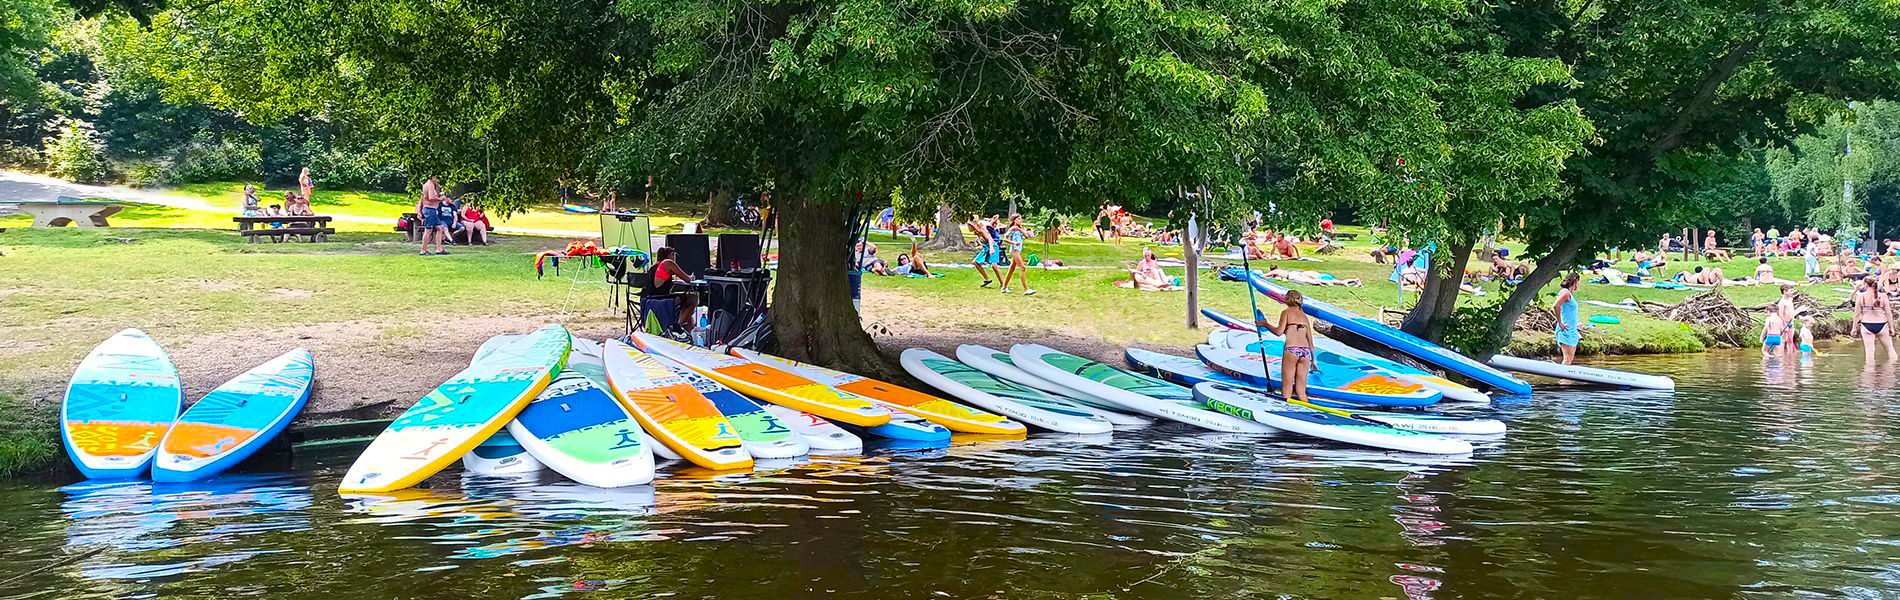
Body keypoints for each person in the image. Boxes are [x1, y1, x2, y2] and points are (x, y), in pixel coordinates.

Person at [1255, 289, 1315, 403]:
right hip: (1306, 352)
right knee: (1301, 391)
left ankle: (1285, 410)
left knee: (1287, 388)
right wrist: (1313, 361)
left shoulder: (1286, 313)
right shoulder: (1304, 316)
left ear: (1287, 299)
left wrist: (1265, 324)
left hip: (1292, 350)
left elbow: (1278, 332)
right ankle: (1308, 411)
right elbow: (1310, 341)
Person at [652, 246, 700, 329]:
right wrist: (692, 277)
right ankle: (677, 327)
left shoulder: (655, 266)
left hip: (650, 298)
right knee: (693, 298)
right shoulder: (668, 263)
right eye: (674, 255)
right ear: (671, 255)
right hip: (660, 298)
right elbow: (687, 279)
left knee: (685, 301)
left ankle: (690, 329)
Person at [1001, 214, 1034, 295]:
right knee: (1022, 268)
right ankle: (1026, 289)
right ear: (1014, 220)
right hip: (1015, 250)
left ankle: (1004, 287)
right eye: (1018, 219)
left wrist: (1019, 229)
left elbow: (1027, 236)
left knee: (1011, 269)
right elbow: (1005, 239)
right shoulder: (1012, 229)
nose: (1020, 220)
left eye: (1021, 219)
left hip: (1018, 250)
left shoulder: (1019, 229)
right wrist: (1014, 243)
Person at [1554, 273, 1582, 365]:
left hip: (1572, 330)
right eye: (1578, 282)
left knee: (1569, 360)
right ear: (1574, 281)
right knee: (1567, 360)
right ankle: (1563, 379)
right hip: (1565, 330)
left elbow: (1569, 312)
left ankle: (1566, 380)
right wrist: (1560, 322)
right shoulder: (1565, 293)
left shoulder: (1569, 294)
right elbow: (1556, 306)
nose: (1578, 285)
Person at [968, 215, 1003, 287]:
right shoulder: (976, 230)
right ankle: (987, 279)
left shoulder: (981, 229)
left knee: (994, 266)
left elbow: (989, 238)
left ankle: (1003, 284)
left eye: (969, 225)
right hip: (986, 247)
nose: (968, 227)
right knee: (975, 262)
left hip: (993, 246)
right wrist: (980, 244)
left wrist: (991, 248)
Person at [417, 176, 448, 255]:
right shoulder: (429, 185)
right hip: (430, 210)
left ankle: (439, 249)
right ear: (432, 177)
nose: (438, 180)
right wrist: (441, 199)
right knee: (428, 230)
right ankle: (423, 250)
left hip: (433, 210)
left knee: (440, 228)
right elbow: (431, 197)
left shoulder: (429, 185)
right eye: (437, 178)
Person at [1777, 284, 1799, 356]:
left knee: (1790, 340)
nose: (1792, 292)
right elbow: (1780, 314)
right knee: (1783, 340)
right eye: (1790, 291)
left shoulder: (1790, 299)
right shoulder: (1782, 302)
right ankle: (1781, 354)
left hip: (1791, 322)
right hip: (1785, 323)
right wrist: (1784, 324)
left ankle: (1790, 354)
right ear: (1784, 291)